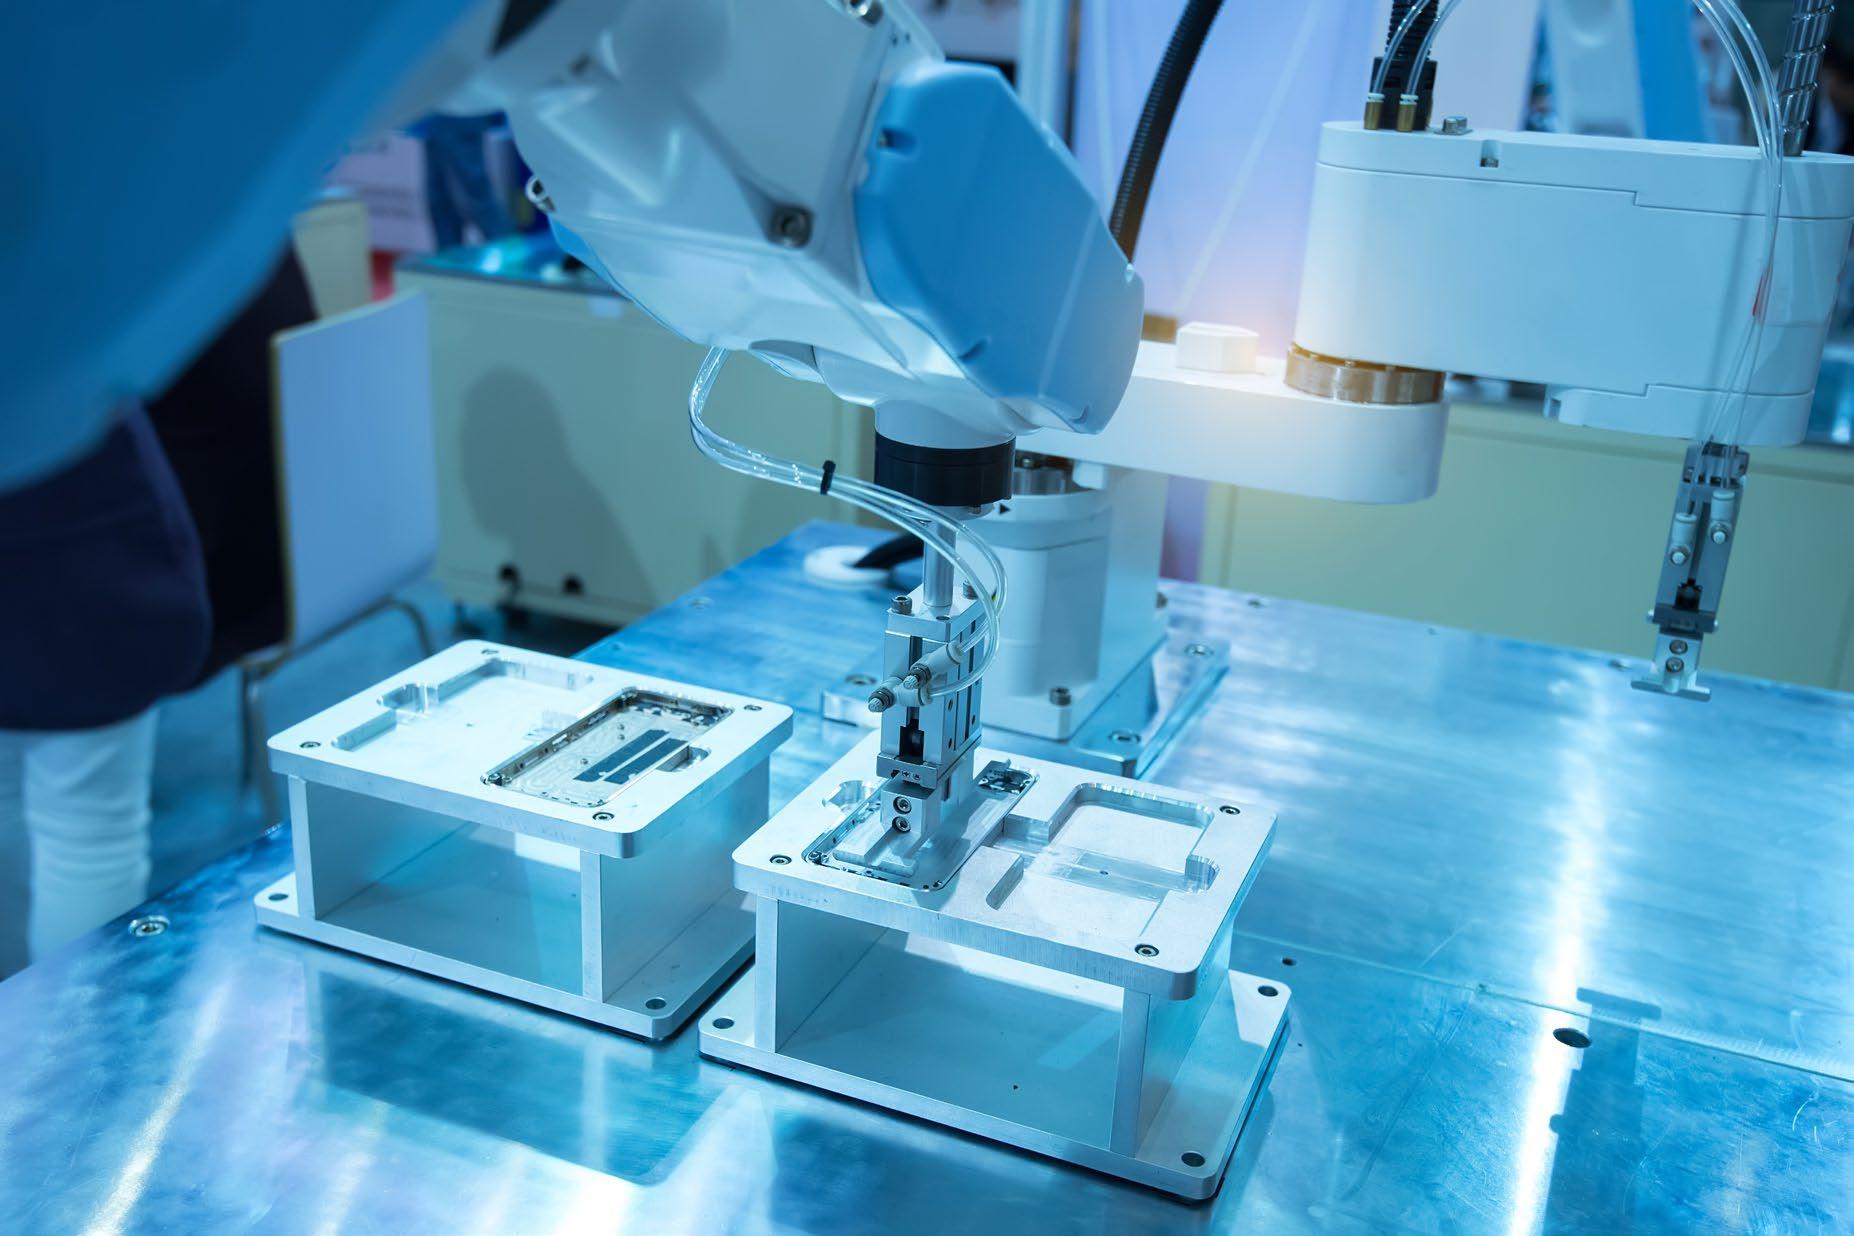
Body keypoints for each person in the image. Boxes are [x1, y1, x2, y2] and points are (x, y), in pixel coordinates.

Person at [0, 251, 314, 964]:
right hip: (76, 539)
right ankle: (73, 1027)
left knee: (19, 801)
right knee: (88, 824)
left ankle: (22, 1012)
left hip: (53, 543)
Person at [420, 111, 518, 250]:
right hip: (435, 115)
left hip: (459, 114)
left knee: (476, 193)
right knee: (439, 195)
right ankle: (449, 255)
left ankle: (508, 250)